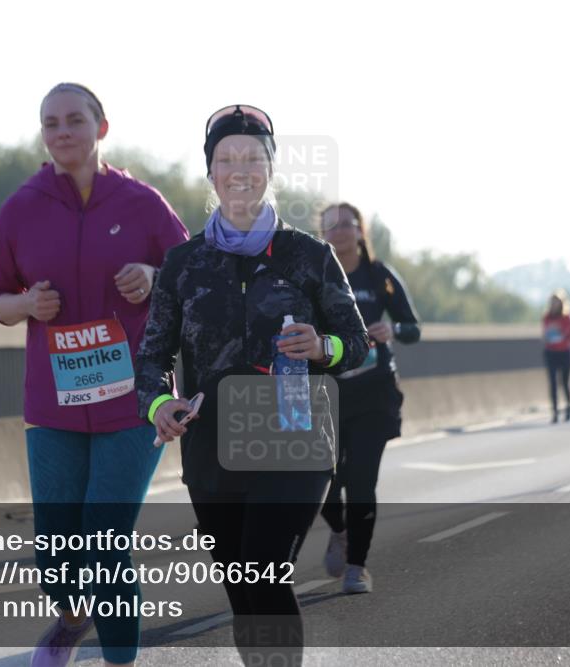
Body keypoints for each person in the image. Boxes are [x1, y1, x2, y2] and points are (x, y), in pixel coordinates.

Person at [135, 105, 369, 665]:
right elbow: (151, 358)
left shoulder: (309, 256)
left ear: (271, 167)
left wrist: (322, 347)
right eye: (226, 158)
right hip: (213, 448)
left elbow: (355, 343)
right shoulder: (183, 263)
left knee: (265, 573)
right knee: (245, 591)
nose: (239, 168)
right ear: (210, 173)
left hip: (295, 441)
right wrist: (160, 405)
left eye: (252, 157)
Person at [0, 82, 189, 667]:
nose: (62, 131)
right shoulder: (20, 207)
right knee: (55, 553)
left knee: (103, 543)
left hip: (134, 400)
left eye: (75, 120)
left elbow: (190, 274)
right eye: (51, 123)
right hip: (54, 405)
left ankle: (120, 659)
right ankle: (72, 616)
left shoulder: (141, 202)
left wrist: (151, 274)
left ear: (101, 127)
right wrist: (24, 306)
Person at [316, 202, 420, 594]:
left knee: (361, 480)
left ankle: (357, 566)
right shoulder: (314, 271)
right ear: (322, 233)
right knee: (321, 480)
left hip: (374, 391)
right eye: (331, 226)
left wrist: (392, 329)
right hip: (327, 393)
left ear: (360, 231)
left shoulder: (380, 276)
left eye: (347, 224)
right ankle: (340, 531)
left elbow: (413, 328)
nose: (339, 231)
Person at [542, 289, 570, 423]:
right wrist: (547, 338)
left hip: (564, 352)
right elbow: (545, 334)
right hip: (551, 352)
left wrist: (562, 336)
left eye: (557, 302)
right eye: (552, 302)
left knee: (564, 381)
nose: (554, 304)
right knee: (553, 382)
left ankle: (568, 406)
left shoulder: (566, 318)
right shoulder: (546, 318)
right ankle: (554, 411)